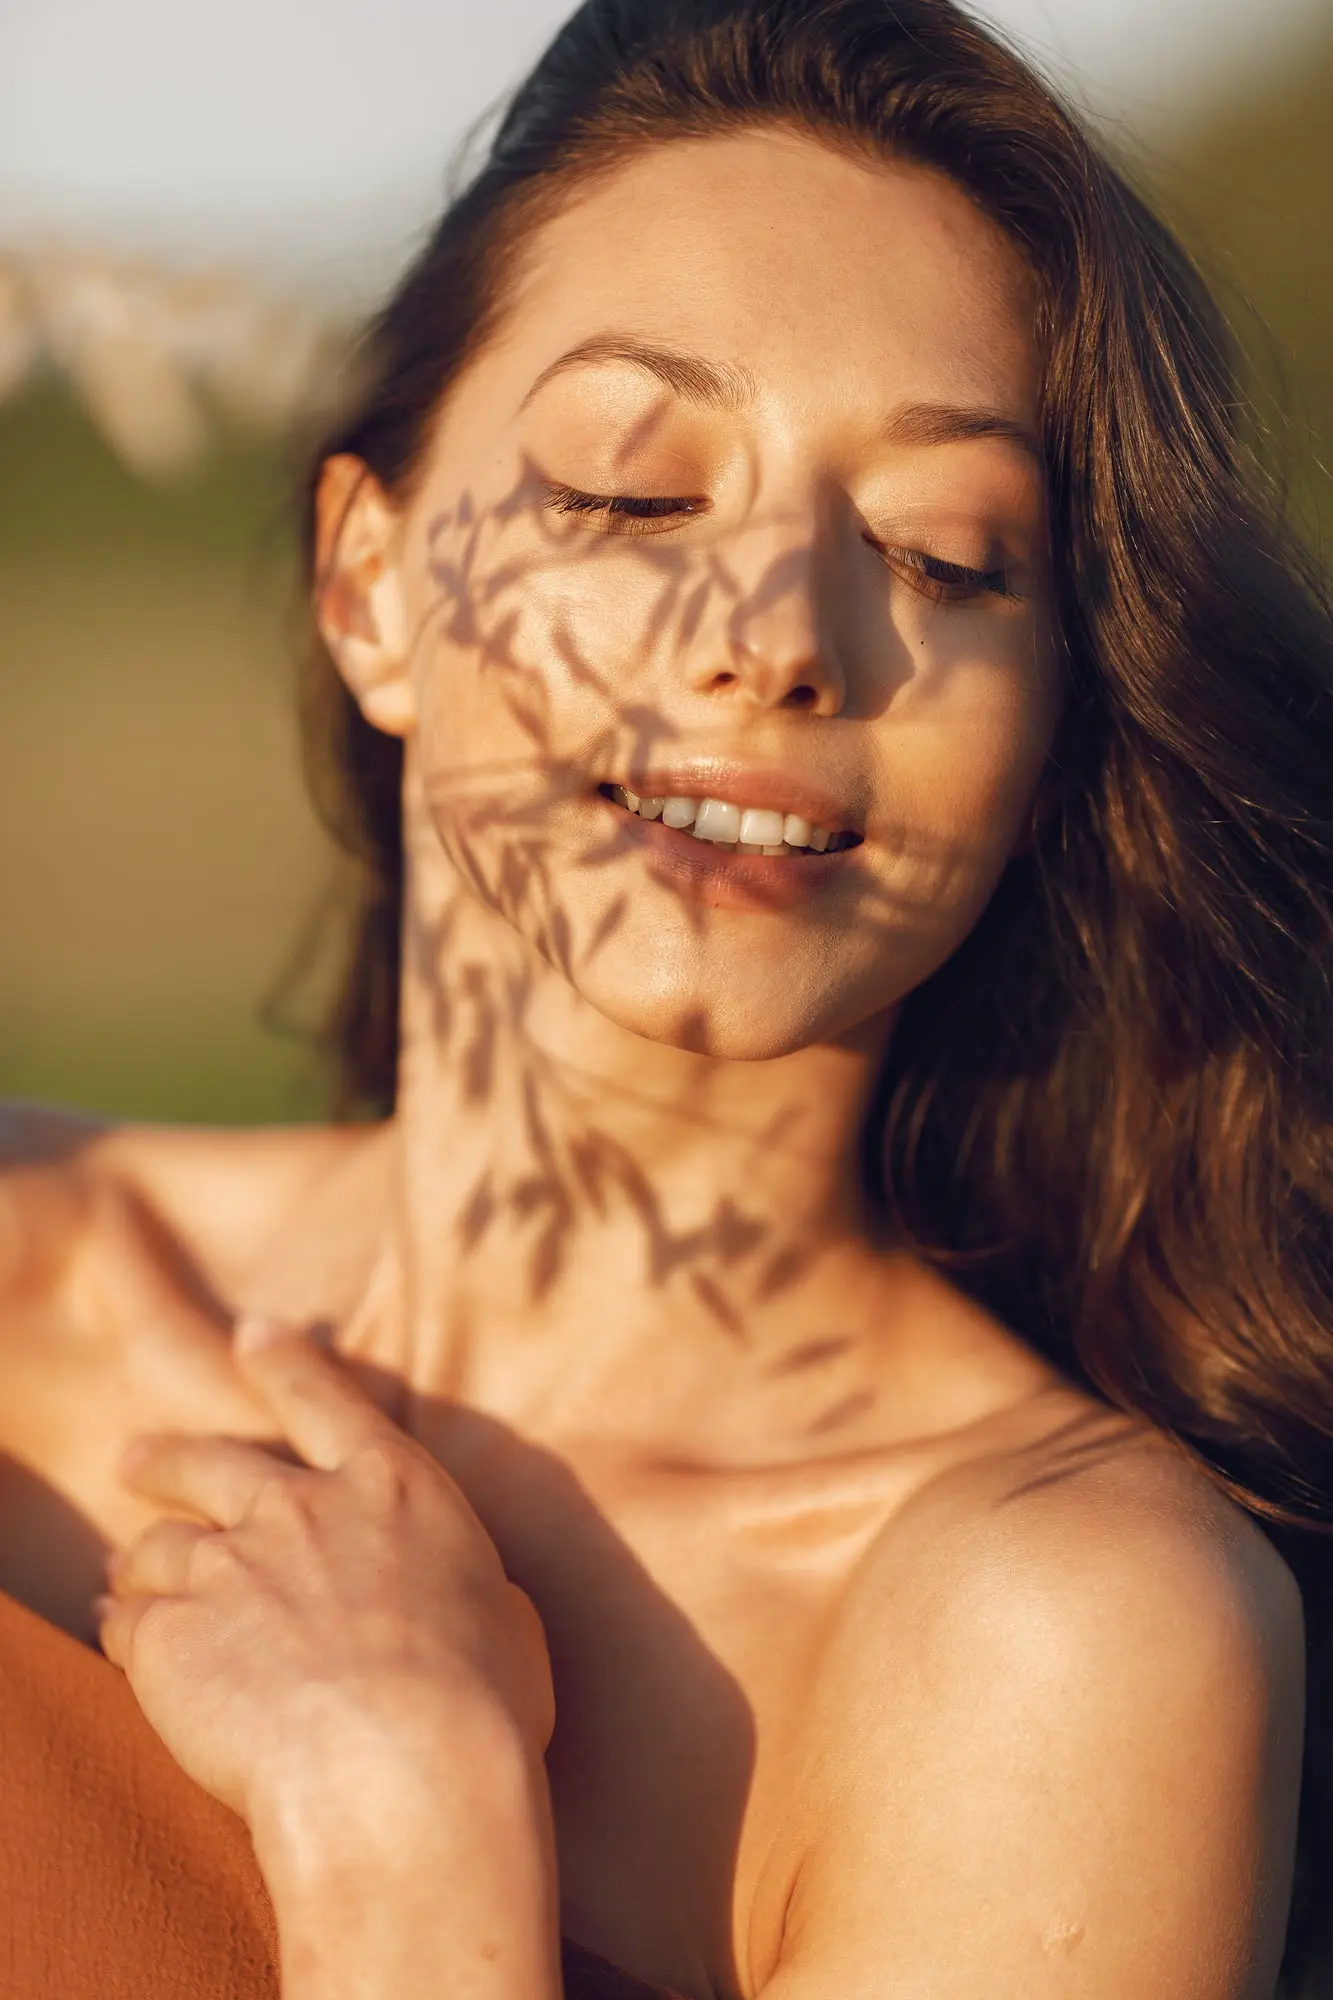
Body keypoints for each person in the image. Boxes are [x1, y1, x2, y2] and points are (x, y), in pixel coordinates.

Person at [2, 0, 1331, 1994]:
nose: (782, 635)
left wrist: (414, 1837)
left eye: (942, 551)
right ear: (372, 586)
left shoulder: (1063, 1634)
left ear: (1055, 717)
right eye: (636, 494)